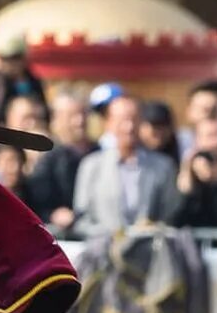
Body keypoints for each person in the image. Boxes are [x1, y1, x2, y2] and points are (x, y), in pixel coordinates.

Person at [72, 95, 178, 235]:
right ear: (108, 123)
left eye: (134, 119)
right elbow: (81, 218)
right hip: (103, 250)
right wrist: (111, 234)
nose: (129, 127)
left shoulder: (163, 166)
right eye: (122, 120)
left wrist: (152, 229)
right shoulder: (91, 165)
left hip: (148, 250)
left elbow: (170, 216)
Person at [28, 89, 93, 237]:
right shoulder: (48, 160)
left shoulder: (100, 154)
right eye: (72, 116)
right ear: (56, 119)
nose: (80, 121)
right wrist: (52, 214)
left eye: (83, 114)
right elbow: (36, 203)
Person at [138, 100, 181, 165]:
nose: (157, 132)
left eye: (162, 126)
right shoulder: (133, 153)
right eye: (153, 126)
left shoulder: (182, 150)